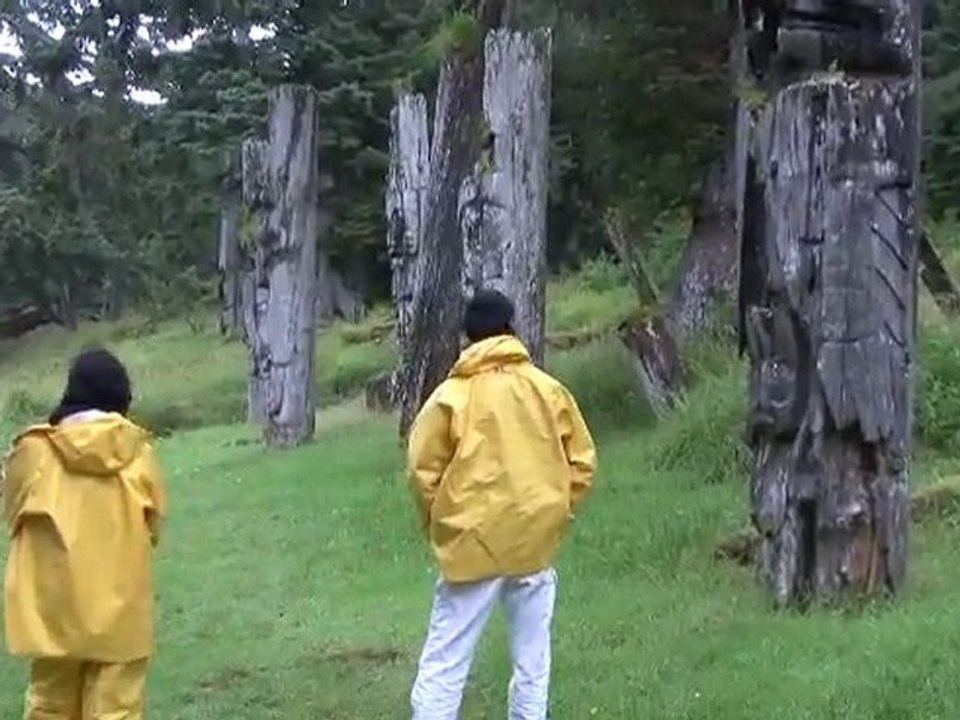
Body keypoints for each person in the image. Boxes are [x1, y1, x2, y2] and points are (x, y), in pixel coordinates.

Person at [407, 289, 597, 720]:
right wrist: (556, 512)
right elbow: (582, 462)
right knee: (533, 661)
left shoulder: (450, 397)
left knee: (445, 661)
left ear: (467, 338)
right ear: (512, 328)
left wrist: (441, 526)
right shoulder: (548, 390)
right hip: (533, 546)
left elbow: (422, 472)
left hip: (471, 547)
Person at [2, 348, 167, 720]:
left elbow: (11, 512)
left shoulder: (34, 451)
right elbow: (153, 526)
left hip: (52, 611)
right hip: (121, 612)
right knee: (117, 711)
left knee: (50, 705)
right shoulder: (139, 453)